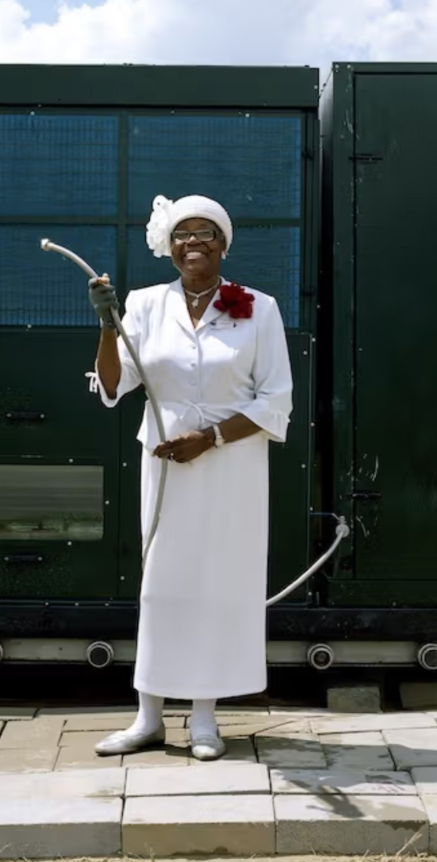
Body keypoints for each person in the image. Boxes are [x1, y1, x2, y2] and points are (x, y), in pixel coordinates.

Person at [87, 194, 293, 761]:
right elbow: (113, 386)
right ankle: (148, 716)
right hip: (166, 463)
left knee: (222, 583)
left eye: (205, 233)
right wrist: (108, 325)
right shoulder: (146, 304)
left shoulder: (258, 307)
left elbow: (278, 398)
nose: (193, 242)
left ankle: (205, 717)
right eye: (182, 234)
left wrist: (212, 437)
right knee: (162, 583)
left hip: (232, 466)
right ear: (168, 247)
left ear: (224, 244)